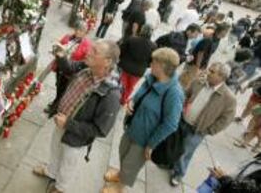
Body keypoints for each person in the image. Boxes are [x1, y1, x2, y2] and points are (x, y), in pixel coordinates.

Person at [33, 40, 121, 193]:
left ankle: (61, 188)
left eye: (95, 51)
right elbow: (69, 68)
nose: (88, 52)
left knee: (68, 164)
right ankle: (51, 172)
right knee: (55, 149)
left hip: (76, 136)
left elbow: (101, 130)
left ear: (107, 62)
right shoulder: (88, 67)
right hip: (61, 121)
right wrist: (61, 56)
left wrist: (68, 124)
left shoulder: (111, 95)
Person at [102, 48, 184, 193]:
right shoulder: (151, 77)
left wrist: (151, 144)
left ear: (163, 66)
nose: (150, 63)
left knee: (131, 164)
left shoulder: (174, 92)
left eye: (154, 62)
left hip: (145, 138)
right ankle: (120, 175)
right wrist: (131, 103)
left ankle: (120, 187)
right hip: (133, 127)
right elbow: (139, 96)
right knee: (123, 152)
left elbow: (171, 124)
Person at [170, 62, 237, 186]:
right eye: (209, 69)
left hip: (198, 130)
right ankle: (170, 163)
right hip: (183, 121)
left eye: (212, 71)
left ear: (221, 77)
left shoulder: (229, 98)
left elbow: (226, 119)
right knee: (174, 144)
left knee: (185, 153)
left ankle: (178, 174)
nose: (207, 72)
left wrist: (208, 130)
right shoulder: (199, 82)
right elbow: (186, 93)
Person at [45, 21, 92, 116]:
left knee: (64, 90)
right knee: (59, 86)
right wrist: (56, 50)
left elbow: (85, 60)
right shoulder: (67, 37)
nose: (78, 32)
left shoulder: (87, 44)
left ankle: (55, 107)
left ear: (85, 32)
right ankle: (56, 101)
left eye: (81, 31)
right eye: (77, 29)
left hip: (72, 71)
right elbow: (59, 45)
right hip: (61, 67)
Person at [179, 22, 230, 91]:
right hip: (194, 64)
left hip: (201, 65)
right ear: (222, 31)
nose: (227, 34)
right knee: (185, 82)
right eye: (226, 31)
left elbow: (208, 54)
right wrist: (197, 67)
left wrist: (204, 67)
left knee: (190, 83)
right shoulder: (209, 39)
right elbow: (200, 53)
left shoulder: (217, 39)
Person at [118, 24, 157, 105]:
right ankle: (123, 100)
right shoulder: (153, 46)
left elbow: (121, 50)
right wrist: (146, 65)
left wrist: (121, 59)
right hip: (139, 71)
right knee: (130, 87)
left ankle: (117, 97)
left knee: (122, 83)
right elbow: (151, 60)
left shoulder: (131, 39)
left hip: (125, 66)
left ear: (141, 30)